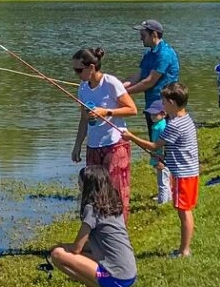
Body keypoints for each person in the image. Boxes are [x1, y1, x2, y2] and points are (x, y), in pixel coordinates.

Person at [121, 82, 200, 257]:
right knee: (185, 210)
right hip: (191, 172)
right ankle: (184, 248)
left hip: (183, 175)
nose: (162, 105)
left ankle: (184, 250)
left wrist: (131, 136)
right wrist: (166, 158)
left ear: (172, 103)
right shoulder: (186, 119)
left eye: (164, 102)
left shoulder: (174, 125)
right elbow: (180, 148)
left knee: (184, 212)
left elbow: (154, 145)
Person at [47, 165, 137, 287]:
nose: (78, 185)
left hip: (114, 278)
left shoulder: (92, 209)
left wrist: (61, 246)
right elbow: (89, 246)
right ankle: (103, 286)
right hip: (129, 275)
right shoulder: (113, 204)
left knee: (57, 254)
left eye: (80, 183)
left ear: (88, 186)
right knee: (81, 253)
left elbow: (77, 247)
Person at [71, 47, 136, 216]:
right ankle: (97, 231)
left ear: (91, 67)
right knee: (93, 194)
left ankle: (120, 232)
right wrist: (77, 145)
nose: (77, 74)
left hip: (115, 144)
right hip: (93, 145)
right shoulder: (83, 88)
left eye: (79, 70)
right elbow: (83, 119)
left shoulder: (111, 83)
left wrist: (106, 112)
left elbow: (132, 109)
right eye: (74, 70)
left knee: (116, 191)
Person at [123, 20, 181, 202]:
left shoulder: (164, 54)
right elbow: (137, 77)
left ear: (154, 34)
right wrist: (116, 87)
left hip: (164, 109)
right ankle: (168, 192)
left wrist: (125, 93)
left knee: (162, 149)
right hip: (152, 107)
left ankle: (166, 195)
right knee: (158, 148)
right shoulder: (149, 54)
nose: (140, 37)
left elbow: (150, 81)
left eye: (143, 34)